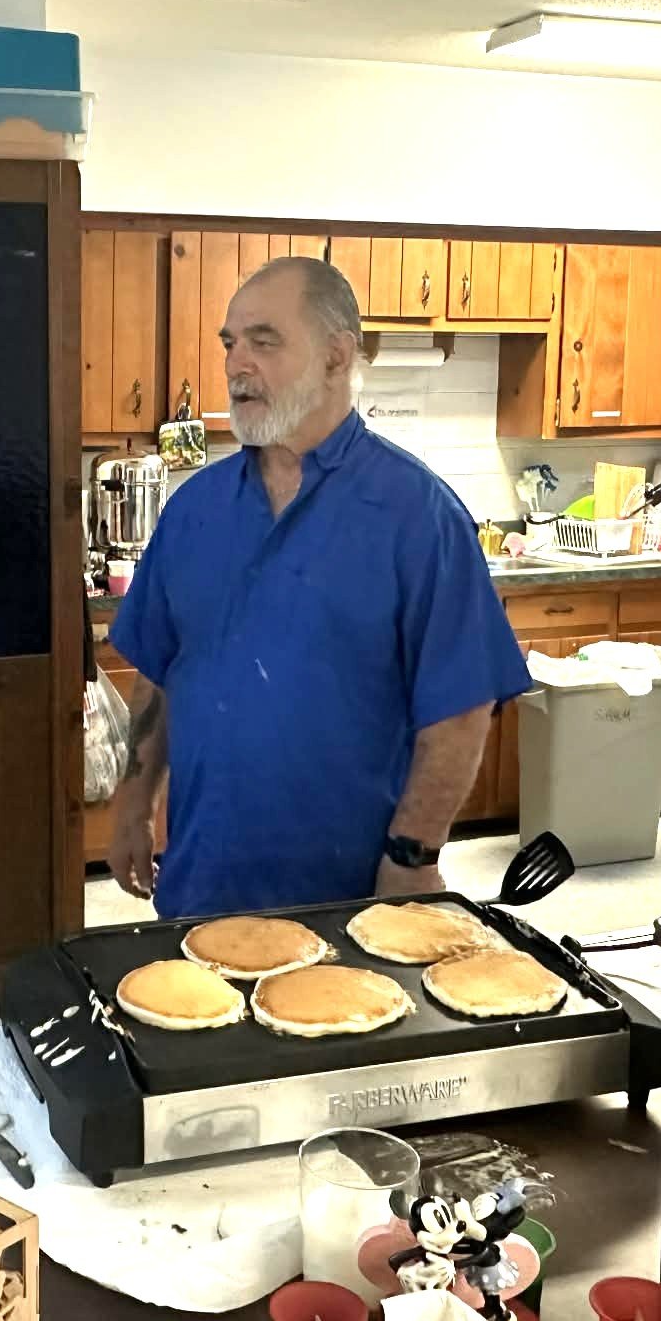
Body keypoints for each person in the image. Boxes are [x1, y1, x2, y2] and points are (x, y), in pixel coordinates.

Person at [105, 255, 530, 917]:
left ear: (337, 357)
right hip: (201, 888)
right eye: (230, 343)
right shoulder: (194, 511)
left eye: (264, 341)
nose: (236, 364)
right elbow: (160, 671)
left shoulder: (417, 515)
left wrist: (413, 856)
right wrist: (133, 802)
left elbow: (460, 708)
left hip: (351, 899)